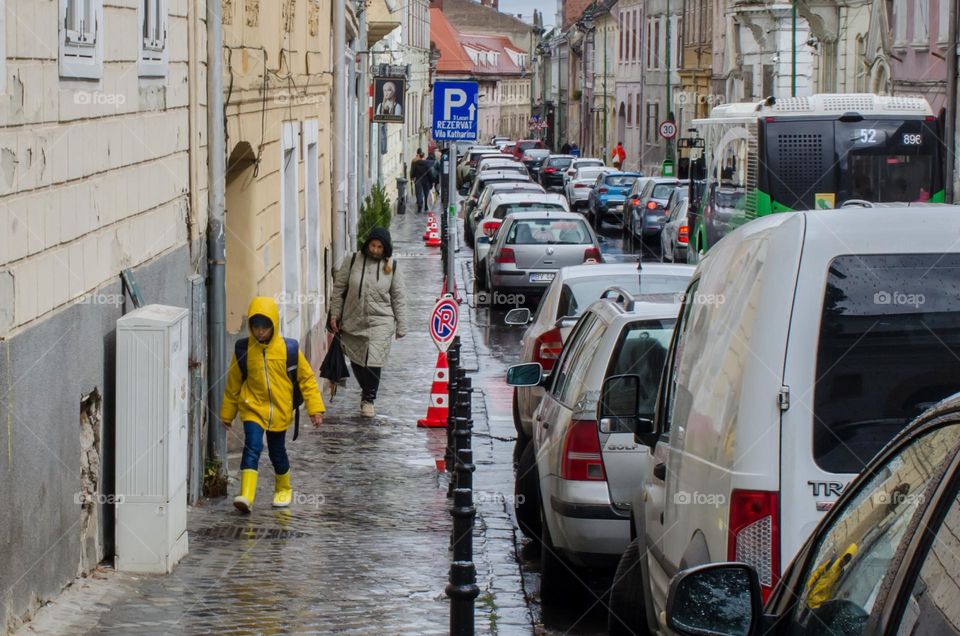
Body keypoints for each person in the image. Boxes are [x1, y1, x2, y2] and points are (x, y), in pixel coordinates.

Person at [221, 297, 325, 513]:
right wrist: (227, 414)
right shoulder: (243, 350)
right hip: (253, 408)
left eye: (265, 327)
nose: (260, 332)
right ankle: (246, 495)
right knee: (252, 446)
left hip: (279, 409)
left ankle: (283, 488)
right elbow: (234, 384)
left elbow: (306, 379)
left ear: (274, 325)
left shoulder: (288, 349)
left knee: (277, 452)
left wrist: (315, 409)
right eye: (256, 326)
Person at [328, 228, 409, 418]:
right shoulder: (352, 260)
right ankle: (366, 390)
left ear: (385, 248)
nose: (375, 250)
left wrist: (402, 324)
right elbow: (339, 289)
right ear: (367, 244)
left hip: (381, 321)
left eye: (380, 247)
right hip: (353, 318)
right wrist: (335, 314)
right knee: (357, 359)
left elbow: (399, 297)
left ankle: (369, 399)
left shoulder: (392, 266)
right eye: (373, 245)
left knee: (374, 360)